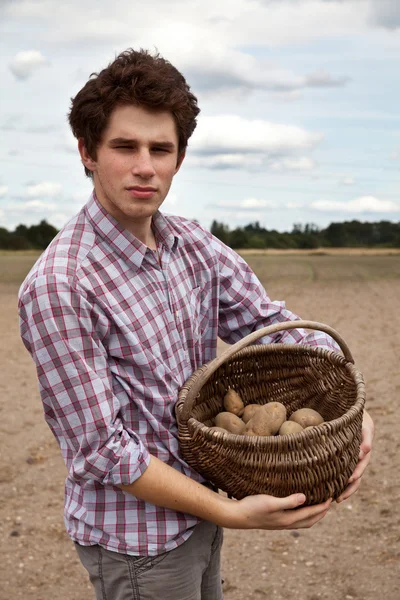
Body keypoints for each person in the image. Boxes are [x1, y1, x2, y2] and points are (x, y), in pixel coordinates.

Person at [18, 49, 374, 600]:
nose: (145, 166)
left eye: (161, 149)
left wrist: (355, 418)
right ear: (87, 152)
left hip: (200, 511)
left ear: (179, 158)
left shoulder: (191, 244)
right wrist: (233, 513)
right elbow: (103, 450)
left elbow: (271, 322)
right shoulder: (61, 284)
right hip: (136, 541)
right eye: (124, 147)